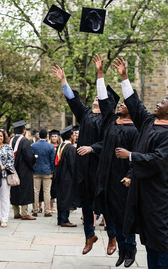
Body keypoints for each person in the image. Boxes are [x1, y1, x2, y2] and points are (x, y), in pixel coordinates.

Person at [114, 57, 168, 268]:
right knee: (148, 235)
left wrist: (131, 156)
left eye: (162, 102)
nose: (157, 103)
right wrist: (124, 77)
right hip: (142, 188)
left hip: (157, 192)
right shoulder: (149, 123)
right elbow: (135, 105)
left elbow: (160, 160)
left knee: (159, 234)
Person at [90, 54, 139, 265]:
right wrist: (100, 73)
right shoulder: (110, 122)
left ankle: (130, 249)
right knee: (111, 216)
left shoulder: (135, 130)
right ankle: (121, 248)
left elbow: (137, 157)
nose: (119, 105)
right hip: (107, 178)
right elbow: (103, 99)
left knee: (125, 216)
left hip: (123, 180)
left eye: (124, 104)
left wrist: (130, 176)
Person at [52, 64, 103, 255]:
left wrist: (92, 148)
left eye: (101, 96)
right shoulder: (87, 114)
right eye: (97, 96)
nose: (97, 97)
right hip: (85, 168)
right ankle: (89, 236)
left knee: (106, 203)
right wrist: (63, 81)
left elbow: (108, 142)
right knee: (87, 204)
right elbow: (73, 101)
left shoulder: (109, 118)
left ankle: (113, 235)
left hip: (100, 166)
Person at [10, 120, 37, 220]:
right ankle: (24, 213)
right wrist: (33, 161)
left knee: (15, 189)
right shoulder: (24, 141)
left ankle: (16, 212)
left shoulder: (11, 140)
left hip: (13, 169)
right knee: (25, 189)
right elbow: (29, 156)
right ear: (23, 131)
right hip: (24, 170)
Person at [54, 126, 78, 227]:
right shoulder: (70, 148)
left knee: (61, 197)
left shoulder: (60, 146)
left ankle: (60, 218)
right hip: (68, 178)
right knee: (66, 198)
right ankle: (64, 220)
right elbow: (72, 165)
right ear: (71, 136)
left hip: (59, 176)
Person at [0, 129, 15, 227]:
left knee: (4, 197)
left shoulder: (8, 148)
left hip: (4, 174)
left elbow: (11, 160)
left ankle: (4, 219)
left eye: (1, 136)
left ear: (4, 137)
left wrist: (2, 167)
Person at [31, 129, 55, 217]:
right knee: (47, 191)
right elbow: (52, 160)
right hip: (46, 170)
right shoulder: (50, 146)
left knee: (36, 191)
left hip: (36, 170)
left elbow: (31, 158)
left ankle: (35, 209)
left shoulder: (33, 145)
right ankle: (47, 210)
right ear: (46, 136)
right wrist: (52, 170)